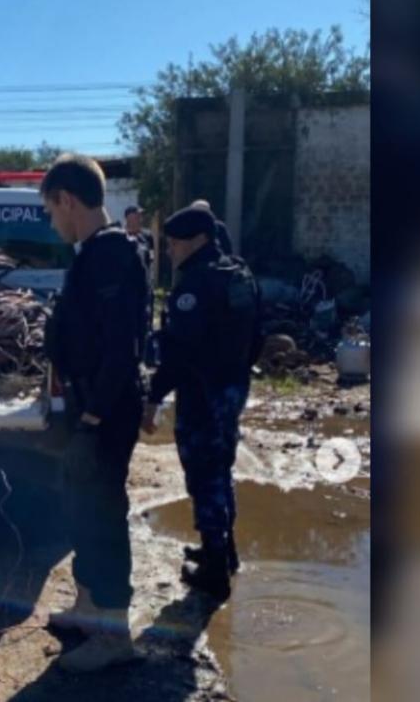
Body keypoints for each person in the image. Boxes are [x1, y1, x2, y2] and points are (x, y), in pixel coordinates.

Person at [40, 154, 149, 672]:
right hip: (88, 401)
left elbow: (121, 349)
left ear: (67, 200)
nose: (51, 221)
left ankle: (114, 633)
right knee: (82, 505)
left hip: (105, 407)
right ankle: (89, 606)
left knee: (104, 512)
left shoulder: (112, 256)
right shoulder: (92, 254)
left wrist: (94, 418)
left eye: (50, 210)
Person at [143, 206, 262, 605]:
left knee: (205, 474)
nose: (171, 251)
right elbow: (258, 335)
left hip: (203, 393)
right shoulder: (238, 273)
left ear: (197, 240)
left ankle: (214, 570)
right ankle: (223, 551)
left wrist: (153, 396)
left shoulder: (195, 286)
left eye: (175, 243)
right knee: (222, 466)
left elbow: (177, 355)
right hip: (232, 387)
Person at [122, 204, 154, 271]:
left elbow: (151, 258)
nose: (140, 219)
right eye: (137, 216)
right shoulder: (121, 237)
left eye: (140, 216)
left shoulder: (147, 236)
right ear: (128, 218)